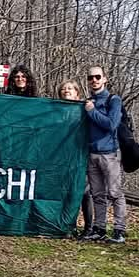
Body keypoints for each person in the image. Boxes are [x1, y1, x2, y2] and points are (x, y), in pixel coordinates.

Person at [80, 66, 127, 244]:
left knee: (115, 193)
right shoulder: (88, 101)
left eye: (97, 77)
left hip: (110, 154)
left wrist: (92, 111)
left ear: (104, 79)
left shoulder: (113, 100)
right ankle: (99, 229)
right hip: (92, 154)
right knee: (97, 194)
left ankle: (119, 230)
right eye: (91, 77)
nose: (94, 80)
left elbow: (111, 124)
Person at [57, 79, 93, 238]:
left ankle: (89, 227)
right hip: (61, 157)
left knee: (85, 192)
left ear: (77, 93)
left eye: (70, 88)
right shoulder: (56, 110)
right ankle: (68, 226)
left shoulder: (84, 109)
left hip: (81, 155)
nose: (67, 91)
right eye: (64, 89)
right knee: (66, 192)